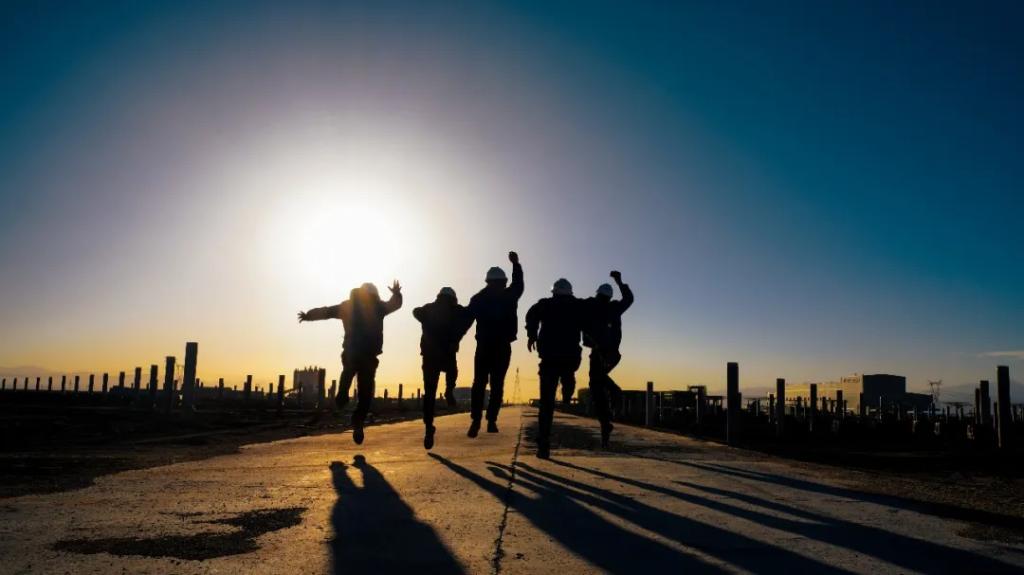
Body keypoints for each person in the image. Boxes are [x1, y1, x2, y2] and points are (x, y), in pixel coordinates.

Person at [298, 281, 403, 445]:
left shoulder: (348, 306)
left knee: (347, 373)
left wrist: (308, 315)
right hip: (369, 355)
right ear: (374, 294)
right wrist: (396, 293)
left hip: (351, 352)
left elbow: (327, 312)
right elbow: (394, 305)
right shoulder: (378, 307)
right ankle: (357, 420)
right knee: (365, 393)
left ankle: (341, 399)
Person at [465, 251, 524, 437]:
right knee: (497, 384)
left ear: (487, 281)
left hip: (484, 347)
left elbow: (465, 321)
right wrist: (516, 264)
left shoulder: (478, 298)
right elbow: (519, 284)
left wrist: (452, 340)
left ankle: (476, 420)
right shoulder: (509, 295)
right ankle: (491, 421)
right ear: (503, 282)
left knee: (479, 383)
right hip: (502, 347)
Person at [525, 278, 584, 459]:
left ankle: (543, 445)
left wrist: (532, 335)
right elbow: (591, 321)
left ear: (554, 292)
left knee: (546, 404)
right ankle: (567, 392)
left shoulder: (545, 305)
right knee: (568, 377)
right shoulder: (577, 305)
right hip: (568, 359)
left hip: (549, 359)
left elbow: (531, 316)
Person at [412, 287, 472, 449]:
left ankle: (428, 427)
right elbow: (469, 315)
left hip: (429, 355)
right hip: (447, 353)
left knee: (429, 394)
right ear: (453, 298)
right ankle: (449, 391)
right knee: (452, 372)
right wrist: (457, 337)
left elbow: (415, 311)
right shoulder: (456, 310)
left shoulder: (429, 308)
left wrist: (426, 319)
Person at [582, 270, 633, 448]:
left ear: (598, 294)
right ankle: (606, 424)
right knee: (597, 383)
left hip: (600, 353)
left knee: (596, 383)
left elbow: (574, 306)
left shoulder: (591, 305)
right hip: (612, 355)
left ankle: (613, 395)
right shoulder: (614, 308)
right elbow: (629, 299)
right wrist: (620, 282)